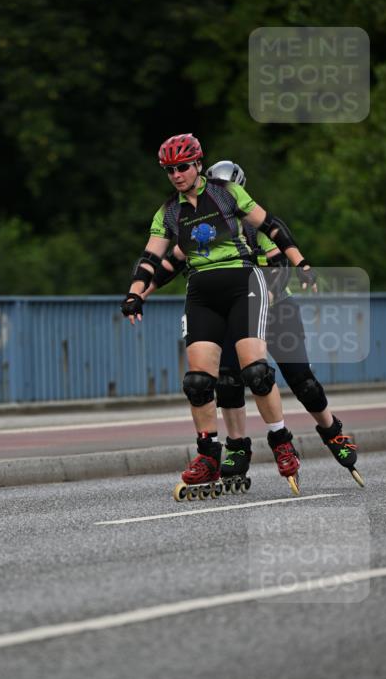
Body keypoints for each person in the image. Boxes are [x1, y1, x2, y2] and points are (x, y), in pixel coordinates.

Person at [120, 133, 309, 493]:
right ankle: (208, 454)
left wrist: (299, 262)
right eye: (169, 170)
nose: (176, 175)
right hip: (201, 291)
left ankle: (281, 441)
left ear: (198, 165)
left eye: (182, 167)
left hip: (243, 282)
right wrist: (134, 294)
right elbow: (150, 260)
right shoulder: (169, 213)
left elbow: (270, 225)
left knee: (255, 372)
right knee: (198, 382)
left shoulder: (226, 193)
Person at [205, 160, 363, 487]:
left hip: (277, 309)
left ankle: (332, 431)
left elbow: (278, 271)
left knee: (301, 380)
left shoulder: (255, 225)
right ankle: (236, 447)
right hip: (237, 313)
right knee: (229, 379)